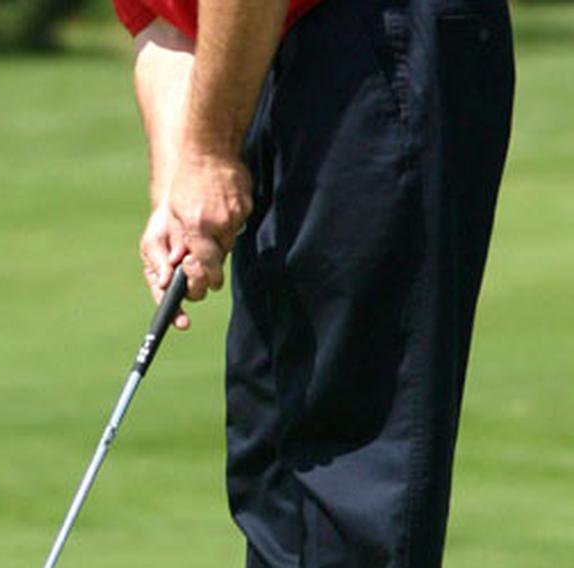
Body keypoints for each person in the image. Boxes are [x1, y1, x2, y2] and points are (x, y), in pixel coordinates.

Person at [112, 0, 515, 566]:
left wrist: (208, 154)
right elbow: (165, 23)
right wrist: (179, 182)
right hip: (261, 48)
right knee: (272, 470)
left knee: (348, 475)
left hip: (371, 39)